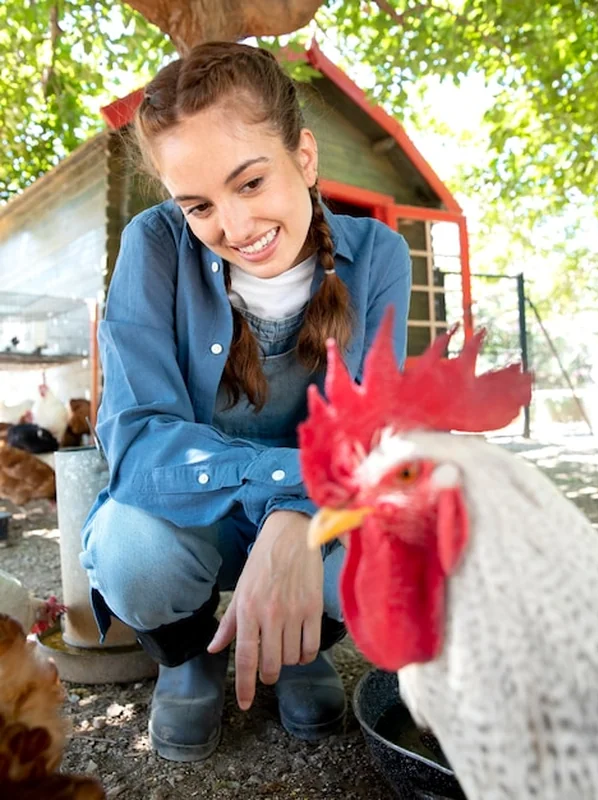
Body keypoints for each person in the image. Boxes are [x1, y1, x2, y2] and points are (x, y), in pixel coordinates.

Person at [80, 41, 412, 763]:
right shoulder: (154, 245)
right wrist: (286, 493)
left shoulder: (380, 257)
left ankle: (295, 648)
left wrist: (297, 521)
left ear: (306, 157)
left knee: (389, 545)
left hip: (317, 517)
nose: (234, 228)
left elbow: (368, 436)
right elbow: (136, 441)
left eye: (251, 182)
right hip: (186, 520)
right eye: (198, 204)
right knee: (129, 550)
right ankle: (187, 657)